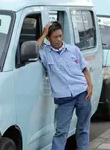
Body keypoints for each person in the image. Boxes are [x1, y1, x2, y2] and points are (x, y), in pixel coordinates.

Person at [37, 21, 93, 150]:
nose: (59, 39)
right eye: (55, 37)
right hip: (64, 99)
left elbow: (84, 69)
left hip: (82, 93)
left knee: (83, 128)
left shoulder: (73, 50)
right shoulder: (45, 52)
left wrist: (90, 86)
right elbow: (35, 48)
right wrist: (44, 32)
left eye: (60, 36)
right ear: (48, 38)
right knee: (61, 132)